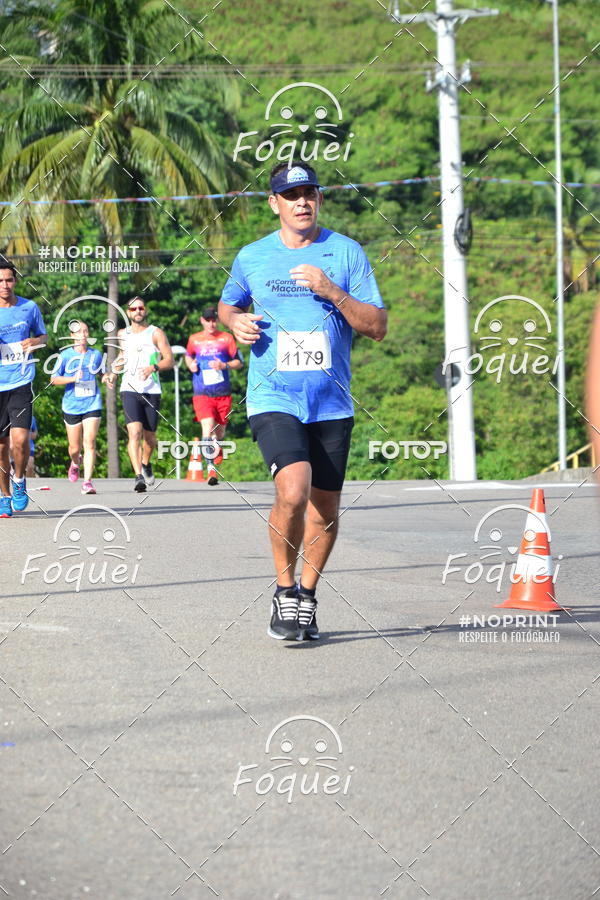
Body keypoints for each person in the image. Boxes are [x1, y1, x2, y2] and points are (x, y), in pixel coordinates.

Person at [219, 161, 387, 641]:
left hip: (332, 403)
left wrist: (332, 290)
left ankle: (307, 598)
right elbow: (229, 303)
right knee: (293, 491)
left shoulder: (346, 253)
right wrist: (234, 322)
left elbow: (377, 327)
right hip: (273, 395)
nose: (301, 201)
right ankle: (284, 589)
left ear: (319, 198)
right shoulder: (252, 257)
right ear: (274, 203)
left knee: (325, 510)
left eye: (308, 192)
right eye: (290, 194)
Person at [107, 297, 174, 492]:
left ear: (145, 310)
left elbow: (169, 360)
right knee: (134, 432)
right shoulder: (122, 334)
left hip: (152, 390)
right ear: (128, 313)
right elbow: (122, 357)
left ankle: (146, 463)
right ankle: (138, 476)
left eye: (141, 307)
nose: (137, 311)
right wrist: (113, 373)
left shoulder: (156, 333)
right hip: (129, 389)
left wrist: (153, 367)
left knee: (150, 437)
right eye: (133, 308)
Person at [0, 261, 47, 517]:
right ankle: (4, 496)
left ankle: (19, 481)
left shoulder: (29, 307)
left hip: (20, 382)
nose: (4, 285)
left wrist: (35, 342)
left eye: (8, 280)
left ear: (15, 281)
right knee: (0, 448)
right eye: (0, 281)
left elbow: (44, 336)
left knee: (19, 441)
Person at [184, 305, 243, 485]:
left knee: (219, 431)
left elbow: (239, 362)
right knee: (207, 427)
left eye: (214, 320)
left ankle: (216, 452)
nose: (211, 323)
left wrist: (224, 366)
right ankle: (211, 470)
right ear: (202, 320)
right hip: (202, 393)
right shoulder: (194, 340)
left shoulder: (226, 338)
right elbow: (188, 356)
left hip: (222, 393)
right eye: (207, 320)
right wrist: (190, 365)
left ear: (217, 321)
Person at [50, 320, 110, 494]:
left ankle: (88, 482)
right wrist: (72, 378)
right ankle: (75, 462)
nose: (83, 334)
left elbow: (102, 372)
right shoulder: (65, 356)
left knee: (90, 442)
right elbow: (53, 379)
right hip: (72, 406)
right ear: (72, 336)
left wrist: (106, 377)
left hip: (92, 402)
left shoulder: (96, 354)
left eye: (86, 331)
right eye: (79, 332)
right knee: (74, 448)